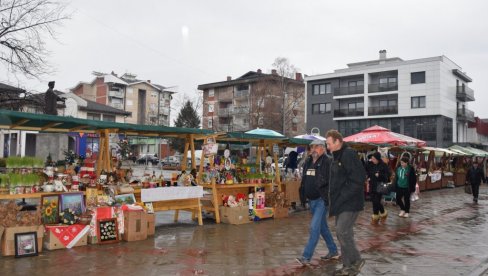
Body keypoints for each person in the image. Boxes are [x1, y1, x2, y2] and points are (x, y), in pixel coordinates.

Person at [326, 129, 366, 276]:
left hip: (350, 202)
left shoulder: (348, 154)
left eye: (329, 144)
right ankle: (347, 266)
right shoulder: (336, 157)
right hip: (340, 203)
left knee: (342, 231)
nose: (328, 147)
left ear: (338, 141)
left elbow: (359, 178)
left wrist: (343, 196)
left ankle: (356, 260)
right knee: (344, 233)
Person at [296, 139, 338, 266]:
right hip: (312, 201)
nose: (313, 149)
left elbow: (333, 180)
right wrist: (303, 196)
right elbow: (305, 179)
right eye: (312, 147)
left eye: (316, 147)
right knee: (323, 228)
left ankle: (306, 257)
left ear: (323, 148)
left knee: (314, 227)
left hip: (322, 200)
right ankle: (333, 251)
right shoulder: (308, 161)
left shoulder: (328, 161)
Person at [366, 152, 390, 225]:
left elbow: (386, 177)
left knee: (376, 201)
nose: (372, 160)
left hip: (379, 186)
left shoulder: (383, 165)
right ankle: (381, 214)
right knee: (374, 201)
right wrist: (368, 177)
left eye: (373, 159)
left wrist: (379, 175)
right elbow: (366, 169)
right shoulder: (371, 164)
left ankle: (376, 216)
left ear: (377, 159)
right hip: (372, 185)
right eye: (372, 158)